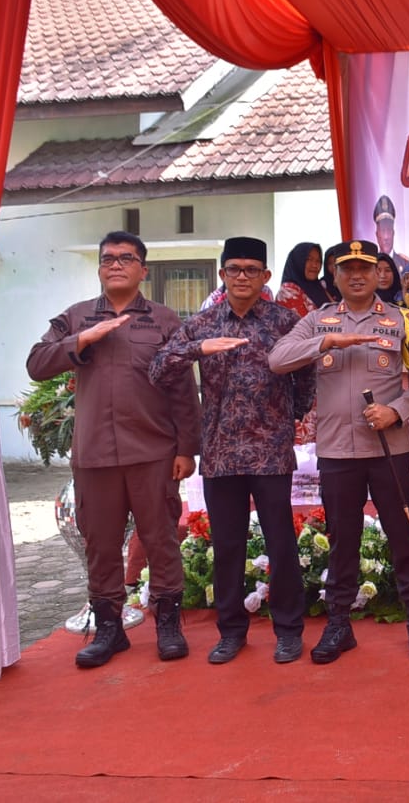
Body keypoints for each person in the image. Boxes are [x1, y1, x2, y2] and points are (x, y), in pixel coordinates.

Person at [27, 231, 201, 669]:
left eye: (127, 258)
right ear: (100, 268)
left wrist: (186, 449)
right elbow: (36, 362)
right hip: (95, 455)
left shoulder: (163, 321)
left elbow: (183, 390)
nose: (116, 264)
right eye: (108, 259)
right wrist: (83, 340)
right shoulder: (78, 316)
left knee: (161, 540)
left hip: (153, 452)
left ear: (143, 269)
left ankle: (167, 623)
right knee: (101, 544)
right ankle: (108, 628)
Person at [269, 240, 409, 663]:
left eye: (366, 268)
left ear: (379, 274)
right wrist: (325, 344)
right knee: (342, 540)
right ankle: (339, 624)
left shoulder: (401, 320)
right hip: (337, 452)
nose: (358, 276)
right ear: (336, 276)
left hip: (388, 448)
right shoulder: (317, 320)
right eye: (348, 270)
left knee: (402, 535)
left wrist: (397, 411)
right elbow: (277, 358)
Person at [150, 237, 316, 665]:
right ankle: (231, 632)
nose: (242, 277)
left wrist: (289, 417)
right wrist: (196, 350)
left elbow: (307, 374)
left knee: (281, 543)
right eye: (234, 269)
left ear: (265, 277)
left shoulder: (285, 321)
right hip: (221, 453)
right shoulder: (204, 323)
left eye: (251, 270)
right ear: (222, 275)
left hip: (270, 453)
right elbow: (158, 366)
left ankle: (289, 630)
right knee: (227, 546)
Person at [276, 242, 334, 318]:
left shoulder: (319, 287)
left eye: (318, 261)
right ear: (298, 261)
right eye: (309, 259)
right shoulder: (288, 291)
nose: (314, 265)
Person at [373, 194, 409, 269]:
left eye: (389, 230)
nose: (386, 237)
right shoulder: (372, 265)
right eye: (383, 231)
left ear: (393, 233)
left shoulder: (404, 263)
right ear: (377, 235)